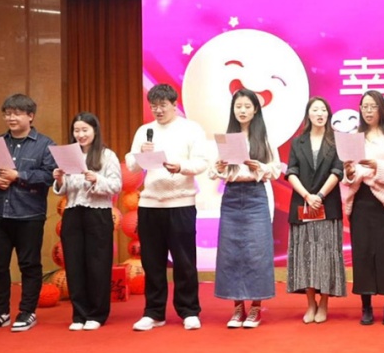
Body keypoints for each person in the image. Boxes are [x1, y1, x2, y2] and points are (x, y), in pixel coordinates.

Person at [0, 94, 57, 333]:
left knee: (29, 265)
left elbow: (50, 176)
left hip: (29, 214)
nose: (11, 118)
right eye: (7, 113)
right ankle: (0, 312)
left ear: (30, 116)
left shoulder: (45, 144)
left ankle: (27, 311)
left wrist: (19, 176)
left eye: (17, 113)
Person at [126, 83, 209, 331]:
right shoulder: (145, 131)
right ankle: (154, 312)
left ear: (174, 105)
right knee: (152, 262)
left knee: (184, 261)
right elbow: (131, 165)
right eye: (154, 106)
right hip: (150, 204)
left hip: (181, 202)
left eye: (163, 105)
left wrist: (181, 167)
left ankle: (189, 311)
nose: (158, 111)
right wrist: (141, 154)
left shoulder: (191, 129)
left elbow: (202, 162)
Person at [211, 88, 281, 329]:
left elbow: (276, 169)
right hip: (231, 197)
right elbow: (214, 171)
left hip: (255, 196)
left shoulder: (264, 138)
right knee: (231, 253)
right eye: (238, 106)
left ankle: (256, 308)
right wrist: (220, 167)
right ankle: (237, 307)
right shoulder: (227, 138)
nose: (242, 111)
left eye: (247, 106)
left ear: (255, 109)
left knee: (256, 252)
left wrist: (260, 167)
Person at [341, 90, 384, 326]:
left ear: (381, 109)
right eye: (365, 106)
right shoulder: (355, 137)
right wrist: (350, 172)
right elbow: (348, 175)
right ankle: (366, 306)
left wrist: (376, 166)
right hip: (362, 201)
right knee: (363, 254)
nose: (368, 111)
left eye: (372, 106)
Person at [52, 112, 122, 331]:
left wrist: (96, 178)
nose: (80, 134)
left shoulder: (106, 155)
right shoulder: (69, 156)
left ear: (95, 131)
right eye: (76, 130)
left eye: (85, 130)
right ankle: (79, 314)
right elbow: (64, 190)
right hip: (73, 213)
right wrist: (59, 179)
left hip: (98, 214)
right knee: (74, 264)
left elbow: (116, 186)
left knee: (98, 264)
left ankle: (97, 314)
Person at [285, 97, 346, 324]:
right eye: (315, 110)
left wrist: (319, 196)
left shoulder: (336, 141)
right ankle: (310, 303)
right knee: (306, 256)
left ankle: (324, 303)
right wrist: (307, 196)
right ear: (308, 114)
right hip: (303, 204)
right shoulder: (297, 142)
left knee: (326, 255)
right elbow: (291, 172)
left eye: (323, 110)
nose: (320, 113)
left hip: (327, 205)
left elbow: (337, 171)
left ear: (328, 115)